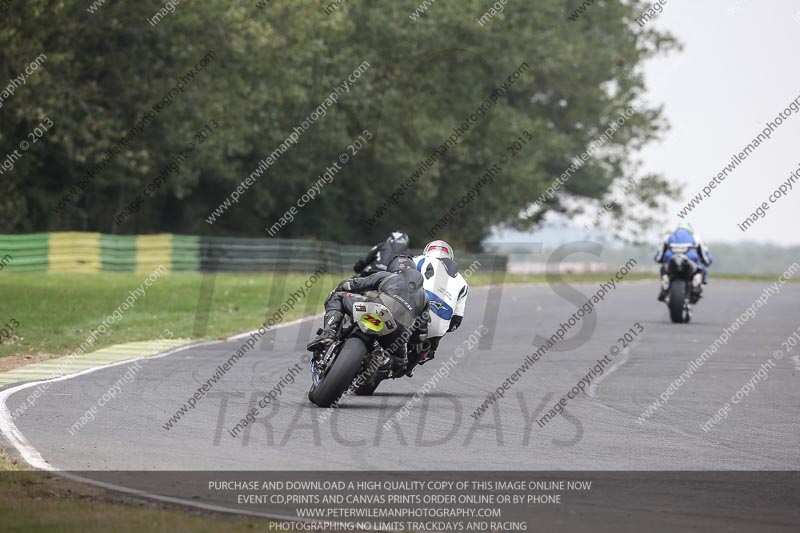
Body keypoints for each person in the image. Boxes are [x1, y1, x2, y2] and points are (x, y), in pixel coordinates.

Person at [307, 255, 429, 372]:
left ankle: (329, 332)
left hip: (376, 310)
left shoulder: (386, 276)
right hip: (398, 331)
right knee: (400, 362)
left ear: (392, 267)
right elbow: (420, 335)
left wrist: (341, 286)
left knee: (337, 296)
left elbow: (351, 285)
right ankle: (380, 361)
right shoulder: (425, 298)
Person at [411, 240, 469, 366]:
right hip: (436, 326)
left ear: (427, 251)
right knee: (433, 341)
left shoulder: (418, 259)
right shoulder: (463, 282)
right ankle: (428, 350)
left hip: (408, 308)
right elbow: (456, 321)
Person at [654, 221, 713, 302]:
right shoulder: (695, 237)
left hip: (671, 259)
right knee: (701, 268)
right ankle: (696, 284)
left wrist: (660, 260)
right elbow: (705, 256)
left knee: (663, 268)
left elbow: (659, 257)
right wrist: (708, 262)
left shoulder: (668, 237)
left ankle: (665, 286)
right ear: (690, 229)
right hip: (691, 260)